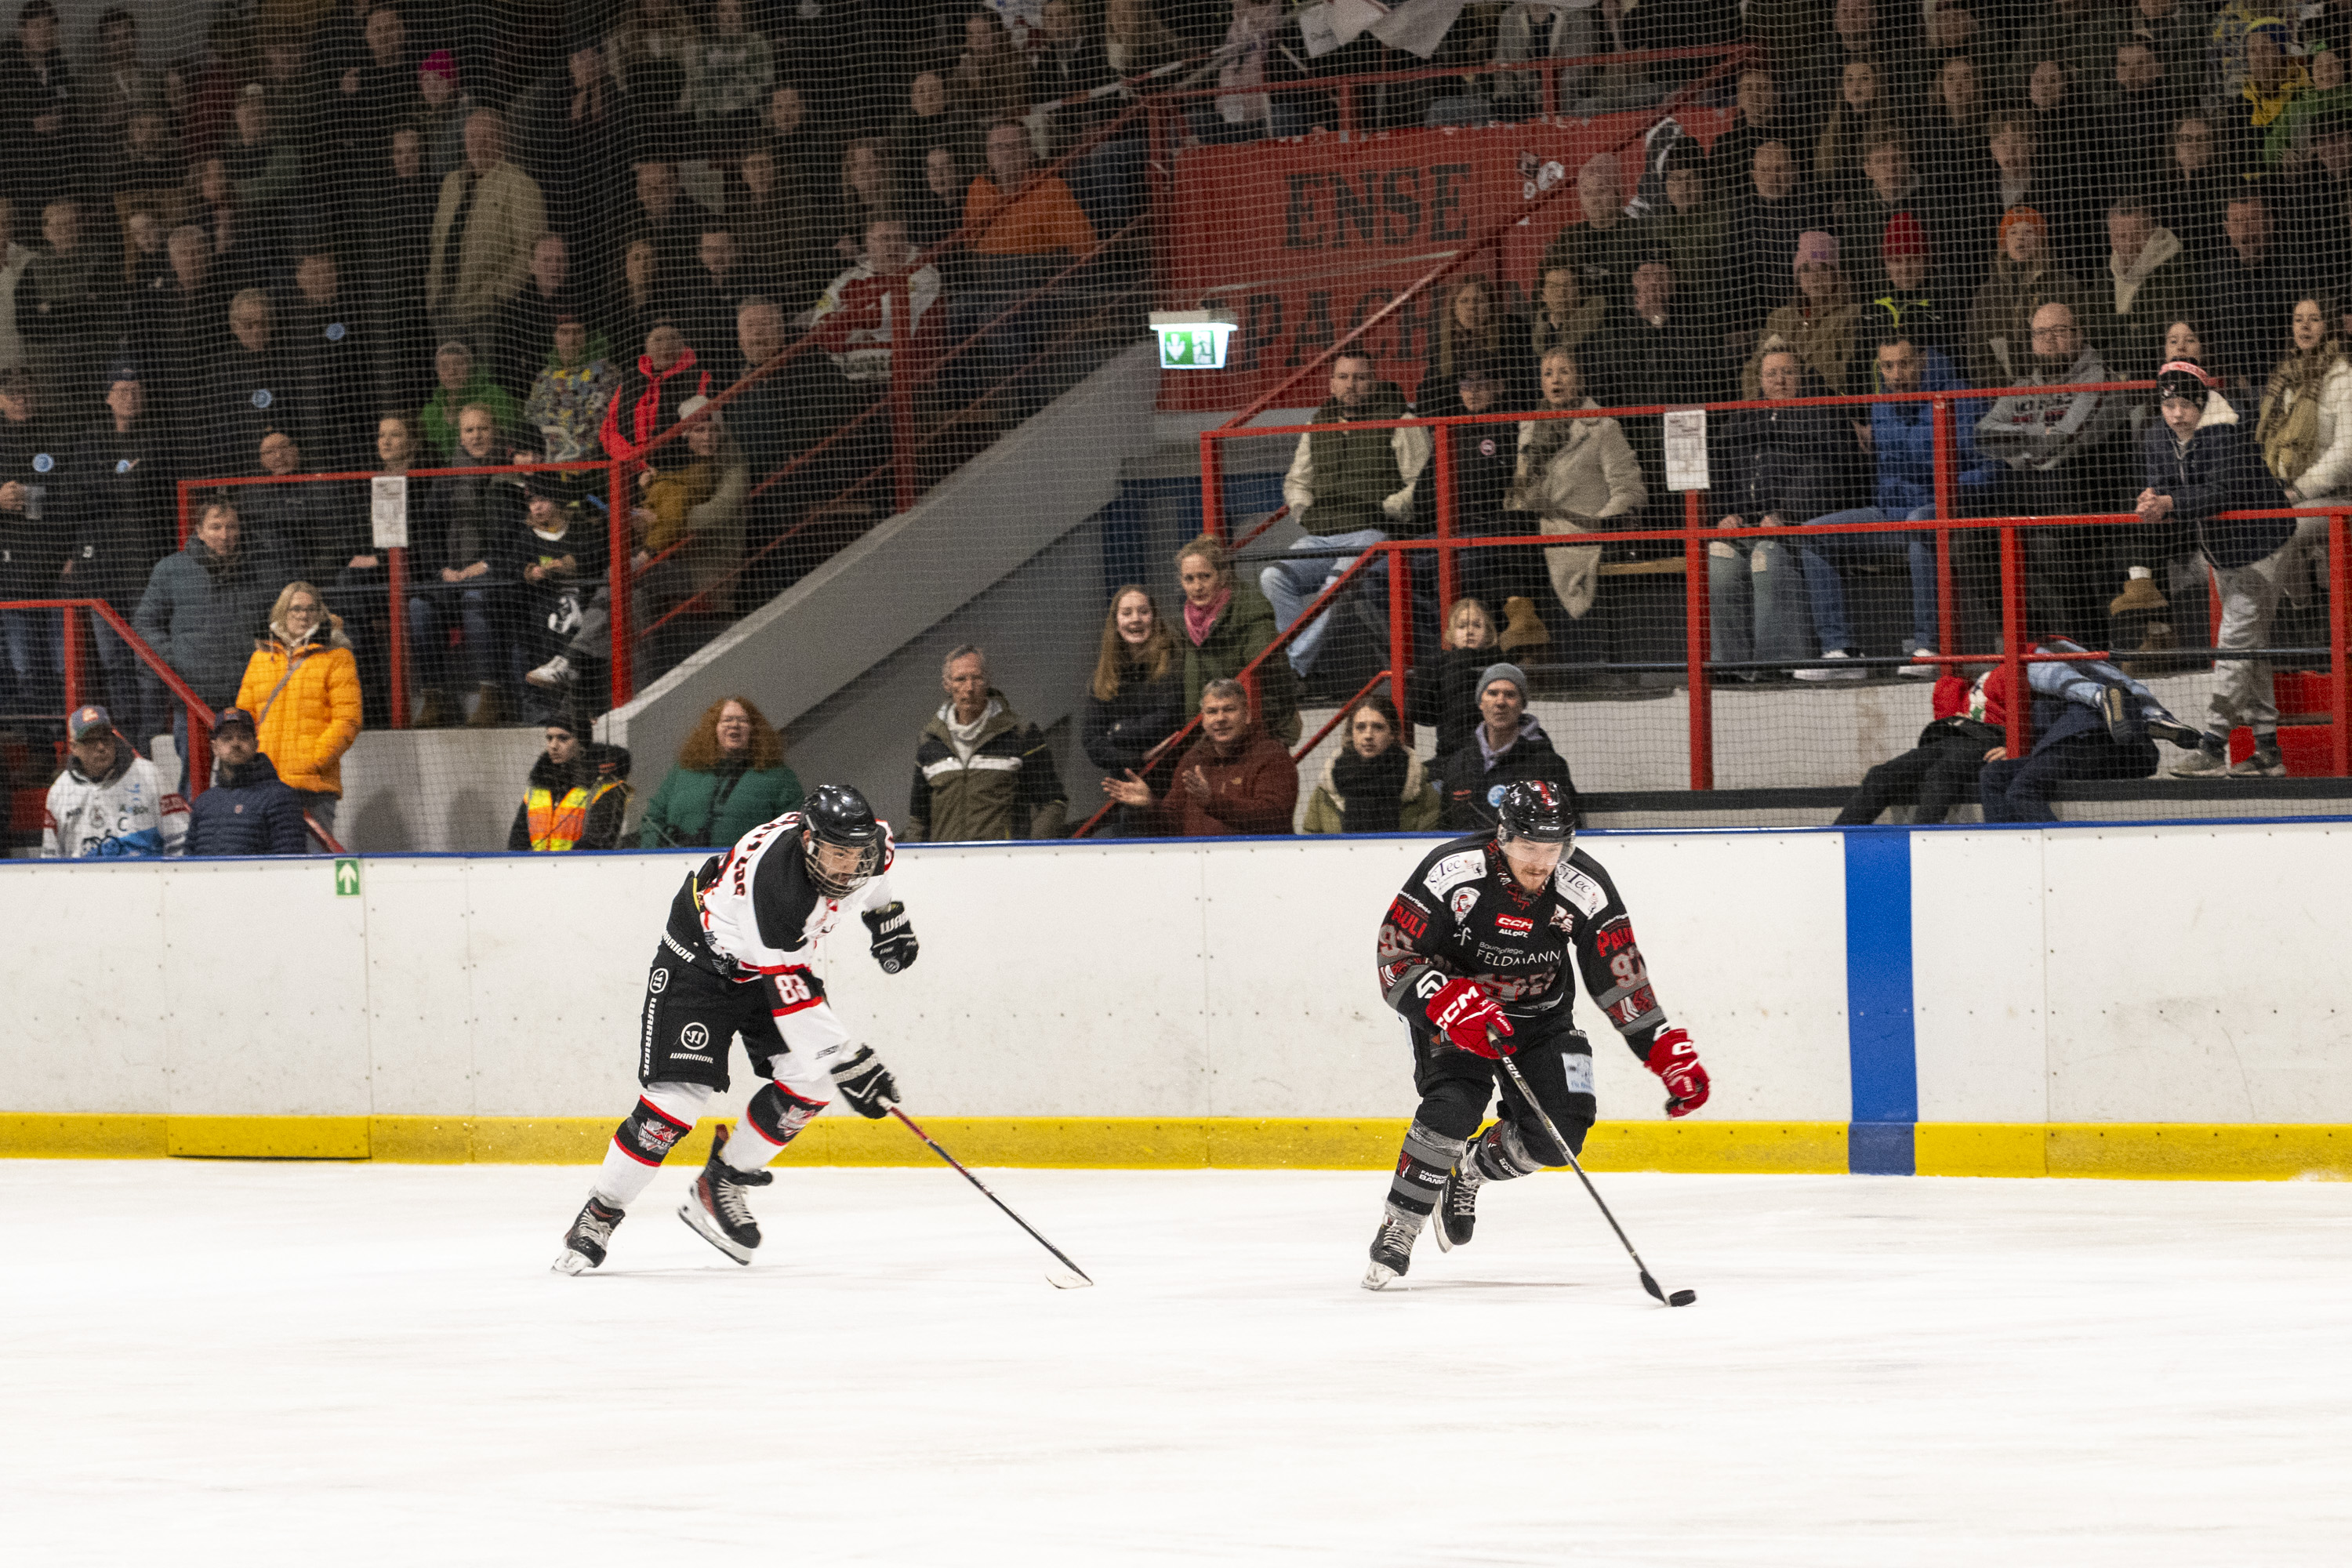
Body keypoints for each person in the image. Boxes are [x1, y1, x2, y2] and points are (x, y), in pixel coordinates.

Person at [554, 784, 920, 1272]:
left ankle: (721, 1181)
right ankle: (600, 1212)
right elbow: (787, 986)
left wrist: (885, 917)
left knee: (810, 1085)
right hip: (701, 962)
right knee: (674, 1106)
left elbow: (877, 879)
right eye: (835, 855)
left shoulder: (872, 847)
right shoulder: (777, 883)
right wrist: (849, 1059)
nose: (846, 868)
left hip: (772, 965)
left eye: (856, 856)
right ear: (809, 843)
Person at [1362, 779, 1708, 1288]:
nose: (1540, 862)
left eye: (1553, 849)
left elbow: (1619, 974)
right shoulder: (1451, 871)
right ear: (1502, 837)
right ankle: (1400, 1227)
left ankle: (1470, 1172)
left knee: (1560, 1137)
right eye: (1529, 847)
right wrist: (1447, 1000)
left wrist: (1660, 1046)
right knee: (1454, 1104)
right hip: (1457, 1011)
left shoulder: (1584, 885)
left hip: (1542, 1017)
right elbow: (1395, 956)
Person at [1795, 336, 2002, 681]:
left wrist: (1951, 492)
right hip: (1891, 512)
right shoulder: (1880, 404)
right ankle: (1841, 652)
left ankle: (1931, 648)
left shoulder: (1961, 398)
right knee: (1813, 533)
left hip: (1950, 510)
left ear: (1923, 360)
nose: (1896, 373)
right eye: (1887, 366)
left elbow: (1992, 468)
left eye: (1904, 363)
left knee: (1920, 522)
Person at [2139, 361, 2301, 779]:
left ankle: (2213, 745)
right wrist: (2150, 496)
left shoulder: (2225, 432)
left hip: (2262, 545)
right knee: (2251, 647)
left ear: (2202, 401)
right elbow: (2160, 480)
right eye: (2168, 404)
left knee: (2233, 645)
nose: (2176, 414)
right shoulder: (2157, 434)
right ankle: (2268, 752)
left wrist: (2170, 503)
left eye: (2185, 404)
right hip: (2221, 551)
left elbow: (2219, 492)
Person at [1265, 351, 1433, 683]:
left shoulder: (1402, 420)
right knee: (1272, 577)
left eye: (1359, 377)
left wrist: (1385, 509)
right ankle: (1300, 660)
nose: (1351, 385)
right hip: (1323, 534)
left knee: (1336, 583)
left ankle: (1293, 667)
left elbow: (1422, 483)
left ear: (1373, 381)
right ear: (1331, 384)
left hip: (1377, 534)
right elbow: (1296, 482)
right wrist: (1305, 512)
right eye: (1343, 377)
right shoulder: (1318, 424)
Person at [1976, 300, 2133, 634]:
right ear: (2031, 342)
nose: (2050, 340)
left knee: (2050, 537)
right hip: (2033, 496)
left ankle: (2083, 647)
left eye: (2059, 331)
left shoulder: (2102, 380)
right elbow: (1983, 436)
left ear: (2079, 334)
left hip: (2092, 499)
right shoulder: (2023, 389)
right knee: (1969, 536)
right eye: (2041, 333)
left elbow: (2064, 441)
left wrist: (2021, 447)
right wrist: (2037, 436)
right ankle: (2031, 640)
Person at [1709, 350, 1853, 680]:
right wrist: (1725, 514)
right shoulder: (1741, 421)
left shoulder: (1821, 416)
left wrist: (1785, 513)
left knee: (1766, 556)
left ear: (1800, 377)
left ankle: (1778, 662)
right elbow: (1720, 475)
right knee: (1718, 557)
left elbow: (1826, 473)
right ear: (1760, 380)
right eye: (1772, 373)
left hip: (1795, 524)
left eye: (1787, 372)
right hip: (1746, 524)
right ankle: (1729, 666)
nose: (1779, 380)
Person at [132, 500, 285, 780]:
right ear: (199, 531)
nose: (224, 535)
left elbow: (280, 623)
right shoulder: (171, 569)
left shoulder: (263, 570)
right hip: (192, 695)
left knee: (251, 778)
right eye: (216, 527)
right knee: (195, 777)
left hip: (247, 695)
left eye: (231, 527)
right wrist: (175, 658)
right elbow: (145, 623)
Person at [1980, 638, 2204, 819]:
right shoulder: (2065, 668)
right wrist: (2015, 747)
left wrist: (2016, 745)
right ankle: (2153, 716)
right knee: (1994, 775)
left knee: (2021, 791)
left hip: (2079, 742)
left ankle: (2059, 856)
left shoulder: (2004, 684)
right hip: (2132, 754)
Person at [1506, 347, 1647, 628]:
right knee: (1506, 536)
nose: (1555, 380)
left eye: (1564, 372)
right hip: (1540, 529)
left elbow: (1630, 491)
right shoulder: (1529, 428)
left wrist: (1598, 524)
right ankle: (1526, 641)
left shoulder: (1603, 428)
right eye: (1547, 374)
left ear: (1581, 381)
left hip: (1586, 531)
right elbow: (1519, 491)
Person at [234, 581, 361, 837]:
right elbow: (244, 717)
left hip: (312, 787)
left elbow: (348, 719)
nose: (303, 615)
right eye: (296, 609)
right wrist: (253, 761)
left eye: (311, 609)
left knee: (314, 866)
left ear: (320, 613)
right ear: (283, 612)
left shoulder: (338, 657)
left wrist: (313, 760)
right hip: (263, 783)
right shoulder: (260, 657)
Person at [906, 644, 1069, 840]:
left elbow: (1054, 802)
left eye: (977, 678)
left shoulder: (1021, 735)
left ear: (988, 681)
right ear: (947, 685)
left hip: (1003, 866)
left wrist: (1025, 853)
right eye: (961, 679)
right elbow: (918, 819)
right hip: (946, 865)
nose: (970, 688)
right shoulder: (930, 742)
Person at [1100, 676, 1297, 837]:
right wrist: (1150, 804)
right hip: (1199, 869)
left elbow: (1274, 816)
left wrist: (1212, 802)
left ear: (1247, 715)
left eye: (1229, 709)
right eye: (1212, 712)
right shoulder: (1192, 760)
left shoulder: (1272, 756)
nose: (1220, 718)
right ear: (1203, 720)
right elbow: (1172, 824)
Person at [424, 110, 546, 342]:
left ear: (502, 140)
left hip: (487, 312)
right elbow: (437, 241)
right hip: (443, 305)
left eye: (487, 137)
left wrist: (497, 294)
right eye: (472, 137)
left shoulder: (519, 185)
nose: (478, 145)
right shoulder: (451, 183)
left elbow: (529, 251)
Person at [1833, 668, 2011, 826]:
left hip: (1990, 742)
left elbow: (2034, 714)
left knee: (1941, 774)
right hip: (1956, 735)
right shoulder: (1991, 670)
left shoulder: (2027, 666)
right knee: (1881, 775)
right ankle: (1835, 844)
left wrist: (2016, 748)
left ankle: (1921, 841)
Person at [637, 695, 804, 849]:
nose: (734, 725)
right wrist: (655, 857)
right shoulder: (683, 771)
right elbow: (652, 819)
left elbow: (794, 828)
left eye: (743, 720)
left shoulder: (778, 776)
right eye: (726, 720)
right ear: (713, 729)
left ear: (754, 730)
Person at [1081, 583, 1183, 836]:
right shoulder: (1103, 676)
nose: (1135, 619)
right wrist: (1138, 758)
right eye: (1127, 613)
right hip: (1125, 789)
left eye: (1143, 611)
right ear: (1116, 623)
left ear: (1154, 617)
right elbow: (1091, 742)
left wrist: (1116, 733)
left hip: (1171, 783)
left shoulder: (1174, 661)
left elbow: (1167, 717)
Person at [1176, 533, 1297, 744]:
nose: (1197, 586)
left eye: (1205, 576)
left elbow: (1277, 681)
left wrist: (1273, 733)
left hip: (1257, 736)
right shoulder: (1185, 625)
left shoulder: (1252, 614)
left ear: (1222, 576)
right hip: (1208, 737)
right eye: (1189, 579)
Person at [1433, 662, 1574, 831]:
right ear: (1481, 703)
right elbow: (1446, 829)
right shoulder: (1458, 764)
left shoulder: (1549, 765)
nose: (1500, 702)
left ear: (1522, 705)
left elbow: (1568, 828)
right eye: (1492, 693)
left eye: (1510, 694)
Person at [42, 702, 187, 858]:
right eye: (91, 740)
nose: (101, 747)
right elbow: (50, 858)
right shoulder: (59, 792)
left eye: (106, 737)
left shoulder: (149, 775)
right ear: (74, 747)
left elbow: (181, 838)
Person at [1740, 229, 1863, 398]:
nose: (1815, 277)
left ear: (1836, 274)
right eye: (1806, 270)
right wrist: (1764, 403)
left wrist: (1793, 389)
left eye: (1822, 269)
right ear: (1798, 278)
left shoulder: (1851, 316)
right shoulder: (1778, 319)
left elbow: (1842, 374)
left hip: (1820, 409)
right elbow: (1752, 371)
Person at [1301, 693, 1439, 834]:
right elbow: (1310, 843)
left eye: (1378, 727)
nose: (1368, 735)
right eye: (1360, 727)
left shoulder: (1422, 790)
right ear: (1351, 733)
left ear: (1393, 733)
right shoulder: (1325, 792)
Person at [183, 705, 311, 855]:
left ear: (256, 745)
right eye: (227, 738)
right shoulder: (203, 802)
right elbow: (188, 861)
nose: (235, 743)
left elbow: (290, 863)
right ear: (215, 748)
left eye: (243, 737)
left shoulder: (281, 797)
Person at [508, 709, 632, 851]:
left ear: (582, 743)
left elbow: (597, 843)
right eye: (549, 738)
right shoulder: (537, 788)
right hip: (539, 869)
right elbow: (517, 841)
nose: (553, 746)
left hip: (584, 869)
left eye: (563, 738)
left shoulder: (605, 787)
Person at [1408, 597, 1497, 764]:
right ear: (1452, 632)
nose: (1469, 631)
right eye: (1462, 626)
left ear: (1488, 633)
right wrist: (1427, 673)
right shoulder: (1439, 665)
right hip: (1449, 756)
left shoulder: (1498, 665)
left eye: (1477, 625)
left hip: (1492, 756)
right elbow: (1423, 715)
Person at [419, 340, 521, 460]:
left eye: (458, 364)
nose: (452, 372)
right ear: (437, 372)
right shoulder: (430, 411)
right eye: (445, 367)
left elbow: (510, 436)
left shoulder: (494, 396)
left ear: (470, 367)